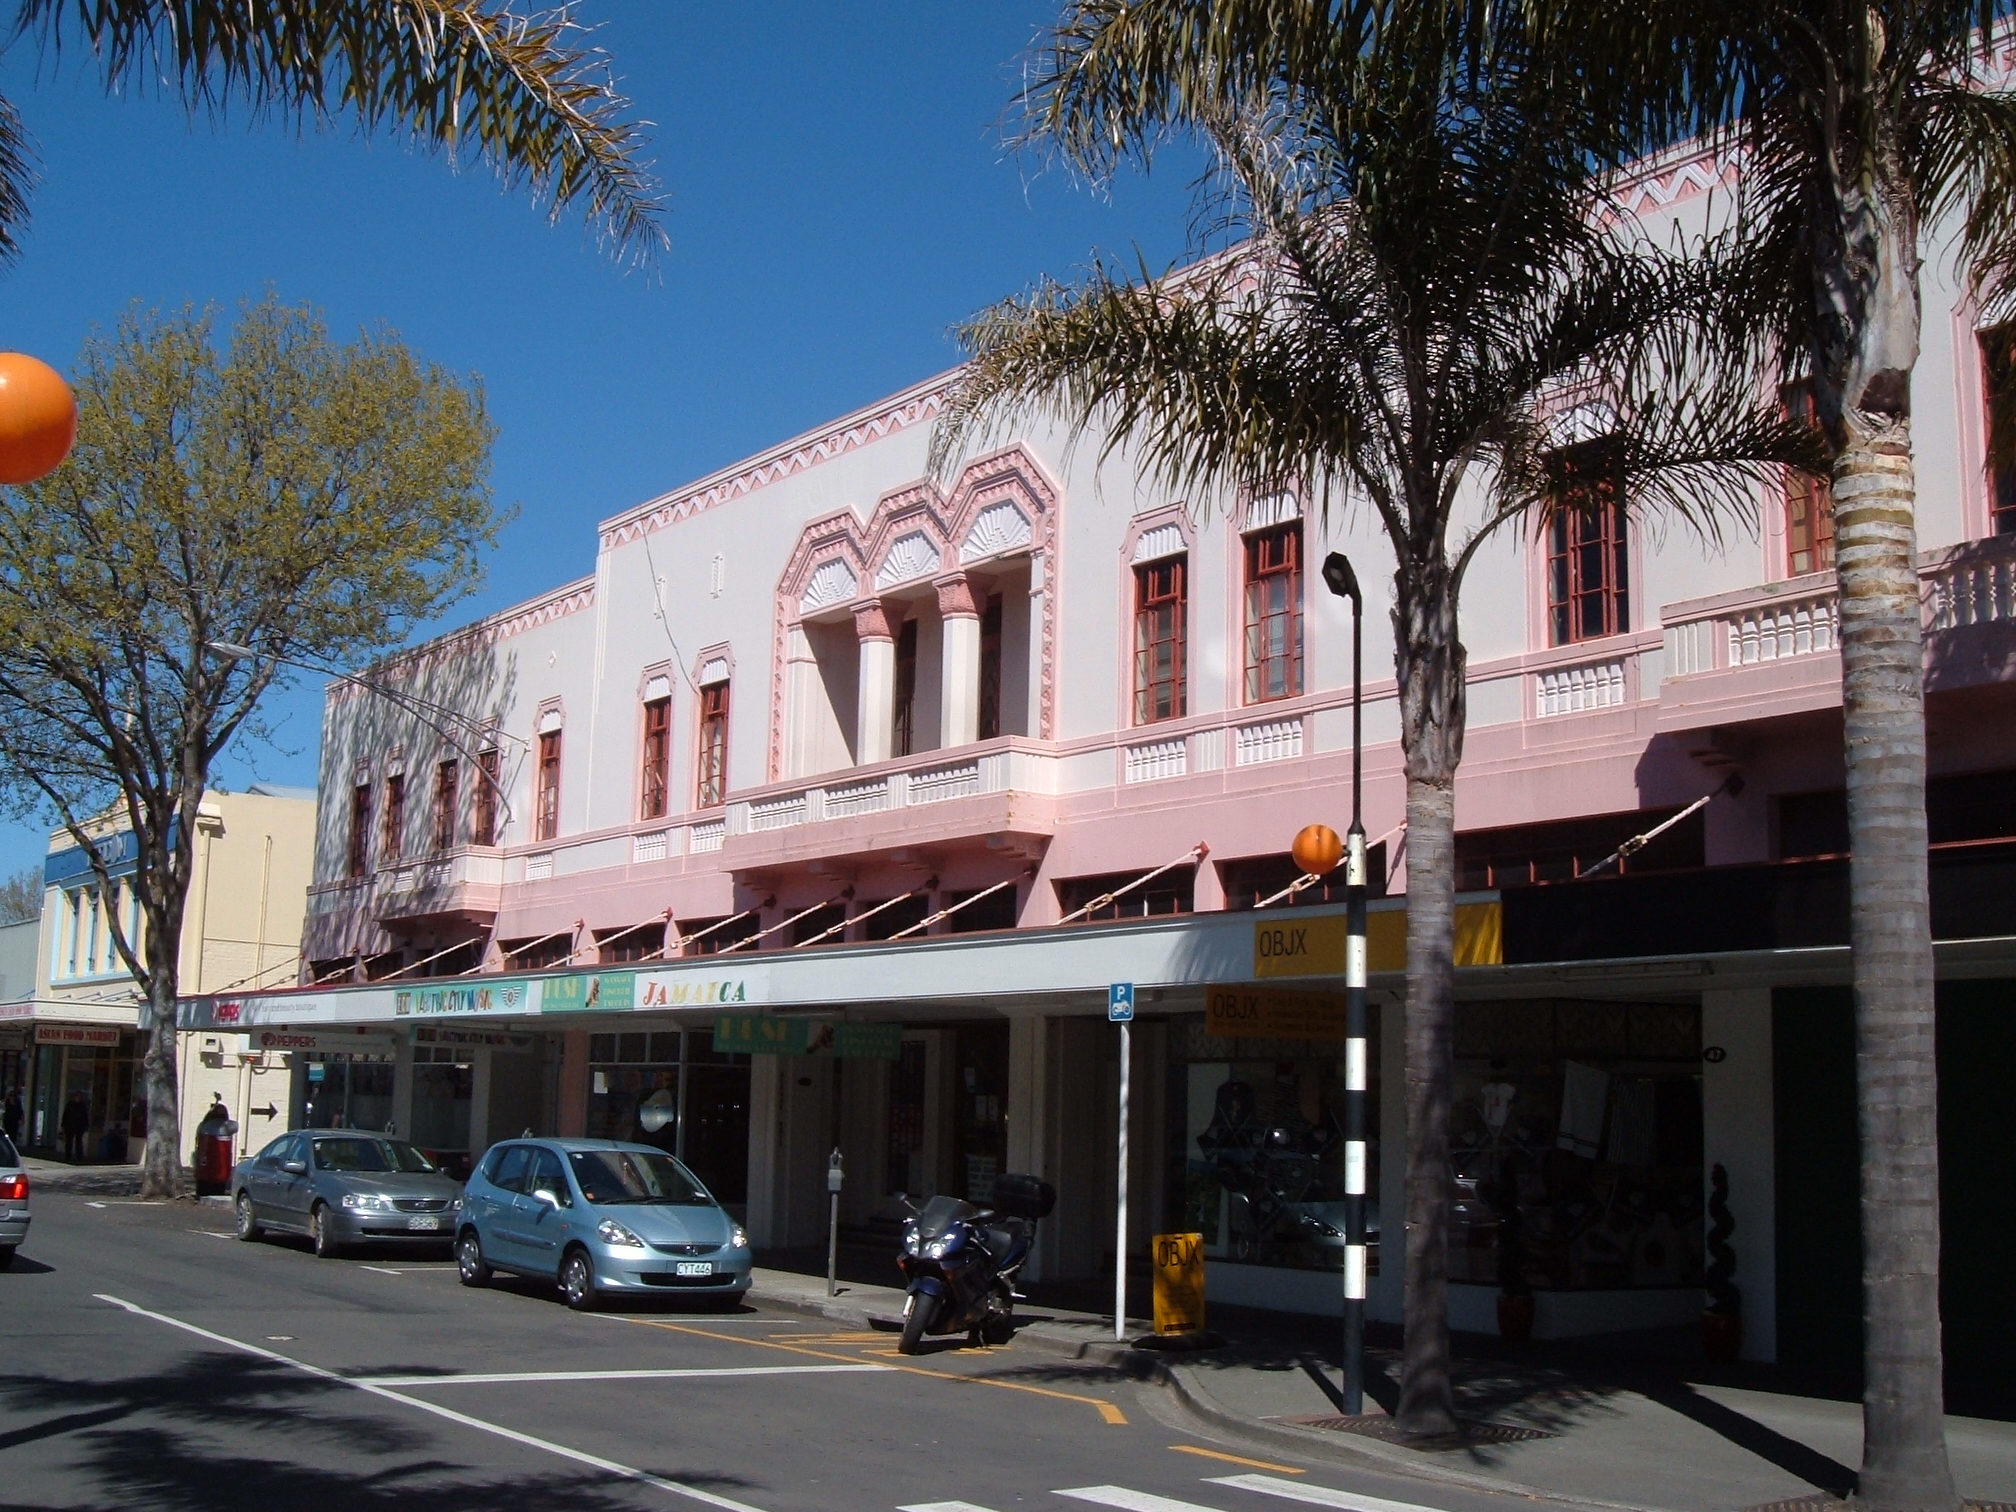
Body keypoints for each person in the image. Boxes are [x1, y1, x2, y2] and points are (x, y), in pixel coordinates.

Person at [60, 1089, 90, 1162]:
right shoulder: (70, 1105)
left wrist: (86, 1125)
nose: (78, 1098)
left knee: (78, 1141)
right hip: (70, 1125)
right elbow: (65, 1115)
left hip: (79, 1126)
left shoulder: (82, 1106)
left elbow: (85, 1116)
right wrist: (63, 1125)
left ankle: (79, 1157)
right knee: (69, 1141)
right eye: (77, 1096)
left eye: (79, 1097)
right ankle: (68, 1156)